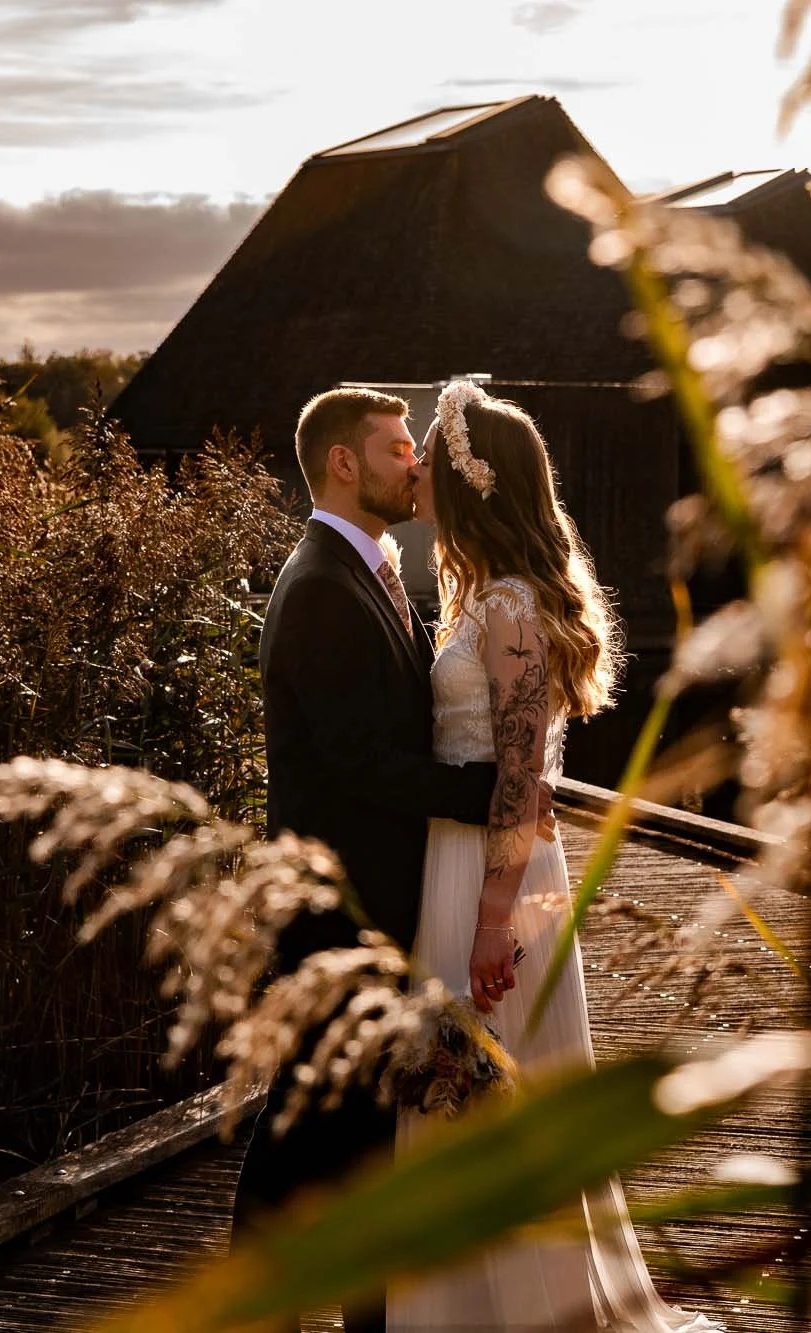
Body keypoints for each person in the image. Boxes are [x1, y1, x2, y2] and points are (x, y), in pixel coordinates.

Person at [387, 381, 721, 1332]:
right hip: (464, 870)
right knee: (461, 1092)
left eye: (429, 462)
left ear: (470, 482)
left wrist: (492, 923)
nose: (413, 475)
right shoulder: (486, 596)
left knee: (488, 1095)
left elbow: (522, 777)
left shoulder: (511, 610)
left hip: (494, 882)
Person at [238, 386, 551, 1333]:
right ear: (346, 462)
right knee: (305, 1125)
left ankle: (371, 1317)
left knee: (368, 1132)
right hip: (339, 909)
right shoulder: (323, 587)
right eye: (398, 443)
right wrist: (494, 792)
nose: (416, 459)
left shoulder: (371, 571)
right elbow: (358, 762)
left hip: (397, 900)